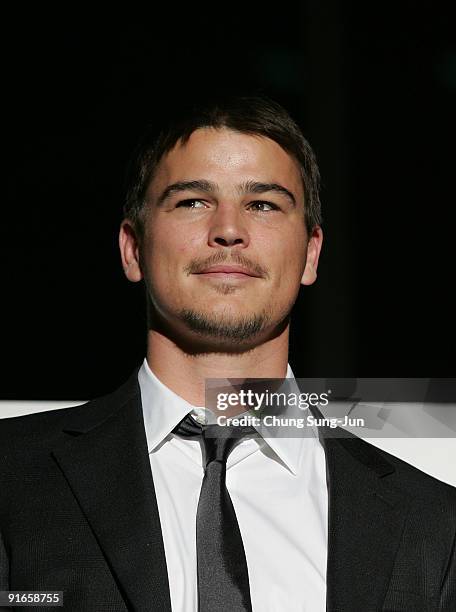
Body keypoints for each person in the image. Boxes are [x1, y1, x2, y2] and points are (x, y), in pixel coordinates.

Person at [0, 96, 455, 612]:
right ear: (133, 248)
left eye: (263, 204)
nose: (229, 230)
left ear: (311, 254)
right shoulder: (10, 476)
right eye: (193, 201)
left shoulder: (434, 525)